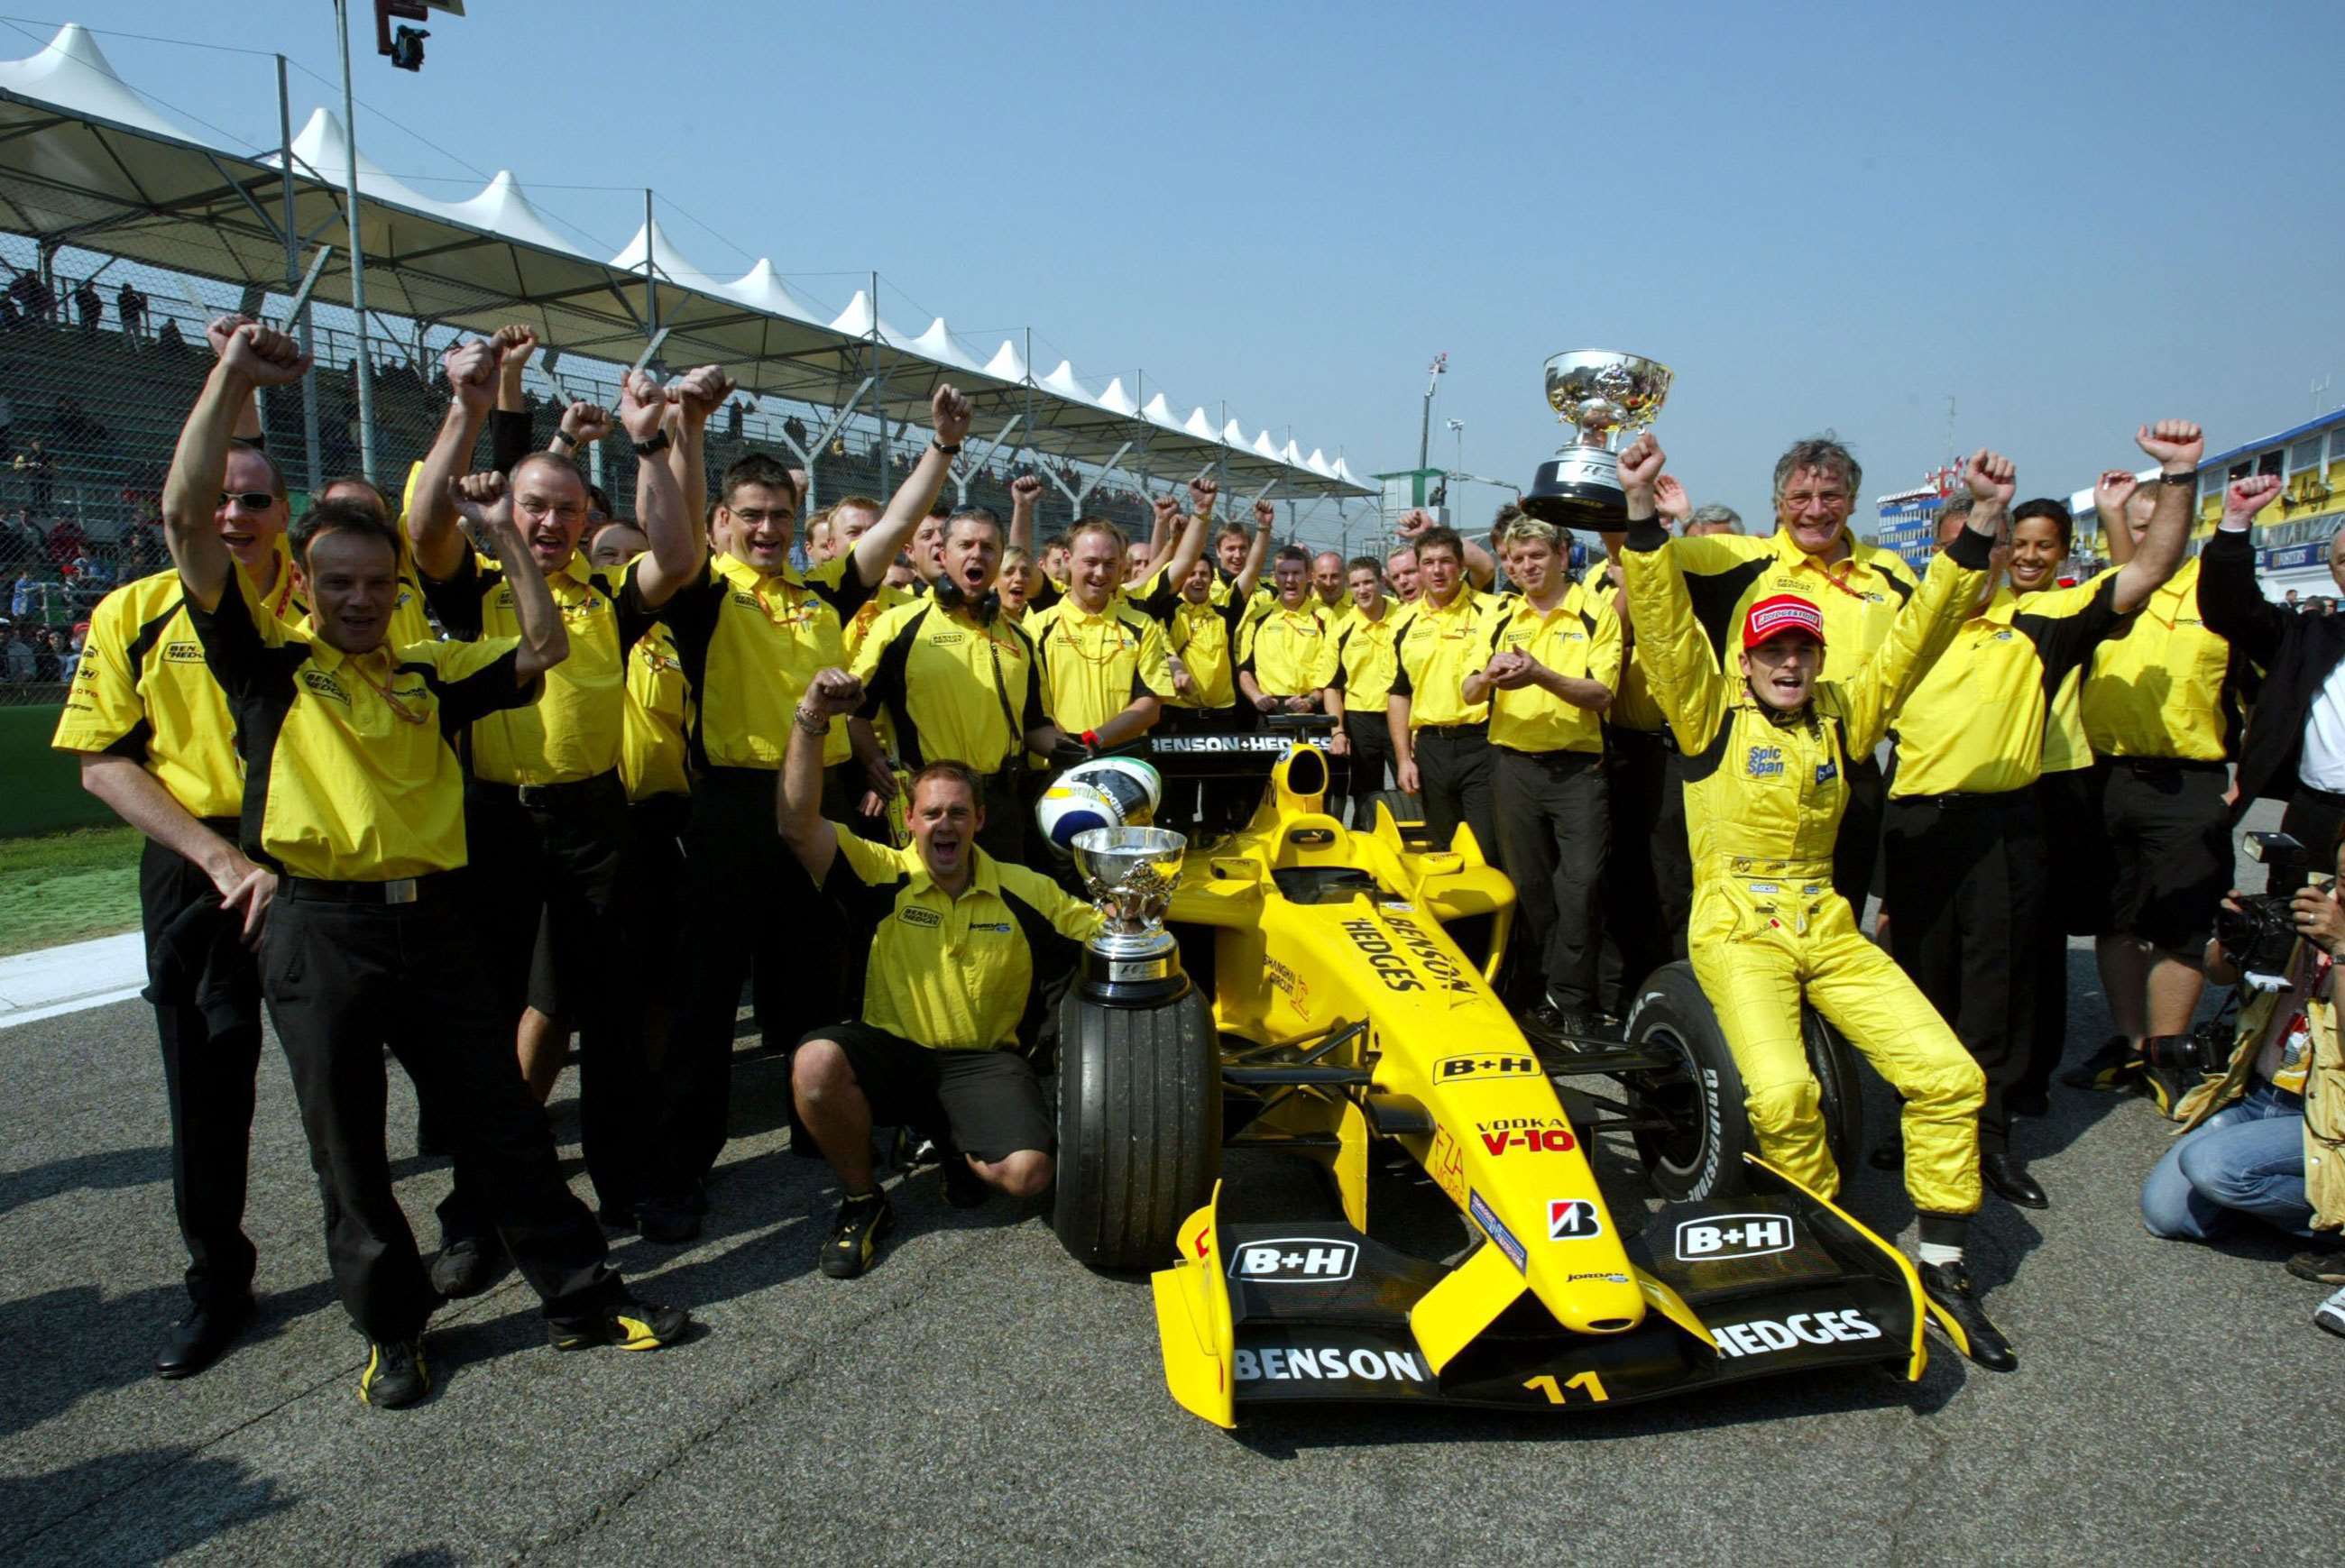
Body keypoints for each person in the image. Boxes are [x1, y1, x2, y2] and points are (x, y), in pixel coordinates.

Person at [160, 320, 687, 1408]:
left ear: (397, 584)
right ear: (299, 587)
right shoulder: (264, 664)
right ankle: (392, 1328)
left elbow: (539, 651)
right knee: (347, 1147)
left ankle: (581, 1297)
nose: (356, 599)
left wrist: (503, 548)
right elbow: (182, 515)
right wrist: (226, 378)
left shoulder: (429, 666)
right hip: (318, 930)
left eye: (373, 581)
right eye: (335, 582)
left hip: (433, 919)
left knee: (502, 1117)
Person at [1617, 430, 2017, 1371]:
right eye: (1773, 648)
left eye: (1803, 648)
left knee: (1949, 1077)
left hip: (1824, 921)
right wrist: (1637, 508)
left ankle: (1947, 1261)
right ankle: (1822, 1236)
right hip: (1736, 925)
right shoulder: (1705, 706)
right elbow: (1666, 620)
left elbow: (1917, 635)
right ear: (1747, 654)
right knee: (1786, 1092)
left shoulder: (1846, 709)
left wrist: (1982, 526)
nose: (1790, 663)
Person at [402, 338, 713, 1273]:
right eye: (534, 505)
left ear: (585, 520)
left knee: (614, 1017)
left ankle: (630, 1181)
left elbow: (680, 552)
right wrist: (465, 411)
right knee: (489, 1028)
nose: (547, 522)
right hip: (493, 821)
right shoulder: (471, 584)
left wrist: (651, 444)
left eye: (566, 510)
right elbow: (420, 529)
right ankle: (478, 1206)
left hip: (593, 823)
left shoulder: (611, 596)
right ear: (510, 504)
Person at [641, 389, 961, 1233]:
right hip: (734, 807)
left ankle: (815, 1123)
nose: (767, 530)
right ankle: (677, 1170)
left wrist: (940, 447)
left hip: (816, 805)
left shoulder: (820, 593)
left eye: (781, 515)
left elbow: (891, 529)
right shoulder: (707, 592)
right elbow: (670, 530)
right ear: (721, 522)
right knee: (705, 999)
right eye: (750, 515)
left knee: (819, 979)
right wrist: (689, 430)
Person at [47, 364, 313, 1378]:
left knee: (359, 1065)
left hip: (317, 860)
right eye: (219, 497)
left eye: (256, 498)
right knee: (207, 1088)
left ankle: (421, 1243)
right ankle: (219, 1280)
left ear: (286, 511)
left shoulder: (330, 596)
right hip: (195, 868)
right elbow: (101, 760)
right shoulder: (132, 612)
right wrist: (215, 855)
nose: (233, 512)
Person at [1876, 424, 2198, 1209]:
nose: (1968, 562)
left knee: (1995, 995)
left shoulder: (2038, 622)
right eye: (1952, 549)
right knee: (1918, 994)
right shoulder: (1903, 628)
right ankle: (1917, 1125)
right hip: (1915, 827)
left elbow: (2150, 567)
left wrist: (2179, 474)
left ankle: (1987, 1141)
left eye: (1980, 548)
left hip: (2002, 830)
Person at [777, 668, 1101, 1277]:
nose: (944, 825)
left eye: (958, 812)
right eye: (931, 813)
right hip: (894, 1053)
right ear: (911, 820)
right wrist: (811, 718)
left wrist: (1144, 912)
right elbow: (797, 824)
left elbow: (1104, 937)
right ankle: (862, 1198)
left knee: (1029, 1174)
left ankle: (951, 1142)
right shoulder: (881, 873)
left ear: (980, 819)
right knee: (816, 1062)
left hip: (983, 1060)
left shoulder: (1027, 888)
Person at [1659, 436, 1922, 913]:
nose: (1816, 510)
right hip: (1748, 765)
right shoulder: (1735, 558)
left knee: (1836, 914)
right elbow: (1645, 564)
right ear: (1779, 504)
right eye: (1800, 498)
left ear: (1853, 501)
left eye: (1831, 497)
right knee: (1743, 917)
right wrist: (1634, 497)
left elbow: (1918, 659)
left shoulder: (1894, 574)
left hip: (1848, 767)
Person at [2067, 455, 2254, 1107]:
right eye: (2135, 526)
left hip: (2189, 781)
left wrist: (2243, 788)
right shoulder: (2108, 594)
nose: (2150, 538)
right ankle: (2127, 1041)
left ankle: (2165, 1050)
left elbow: (2266, 699)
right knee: (2114, 922)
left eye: (2158, 524)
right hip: (2109, 777)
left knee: (2182, 924)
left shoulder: (2219, 595)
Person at [2140, 827, 2345, 1326]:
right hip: (2264, 1094)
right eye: (2342, 875)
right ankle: (2305, 1207)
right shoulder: (2307, 902)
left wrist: (2340, 948)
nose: (2341, 890)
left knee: (2214, 1168)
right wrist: (2235, 934)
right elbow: (2218, 975)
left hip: (2328, 1114)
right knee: (2166, 1215)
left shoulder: (2332, 927)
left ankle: (2331, 1216)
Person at [1467, 515, 1621, 1037]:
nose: (1526, 567)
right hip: (1513, 767)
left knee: (1580, 887)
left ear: (1561, 555)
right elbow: (1468, 691)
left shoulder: (1596, 613)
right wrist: (1487, 676)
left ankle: (1574, 999)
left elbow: (1602, 696)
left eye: (1537, 556)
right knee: (1530, 890)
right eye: (1518, 559)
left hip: (1577, 771)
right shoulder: (1501, 615)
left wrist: (1542, 676)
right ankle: (1535, 997)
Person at [851, 501, 1062, 864]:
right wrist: (874, 763)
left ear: (997, 560)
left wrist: (1082, 752)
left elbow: (1035, 726)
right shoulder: (898, 626)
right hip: (935, 806)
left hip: (1001, 806)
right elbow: (856, 713)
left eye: (988, 547)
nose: (977, 554)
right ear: (944, 554)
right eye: (965, 545)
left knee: (1002, 910)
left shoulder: (1021, 638)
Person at [2199, 473, 2345, 891]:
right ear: (2334, 574)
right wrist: (2236, 522)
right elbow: (2229, 608)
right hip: (2318, 812)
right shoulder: (2308, 638)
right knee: (2295, 928)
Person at [1590, 474, 1694, 1012]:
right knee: (1619, 869)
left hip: (1678, 746)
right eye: (1622, 522)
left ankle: (1676, 989)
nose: (1629, 530)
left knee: (1673, 877)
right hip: (1620, 741)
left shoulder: (1684, 566)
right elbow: (1609, 632)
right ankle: (1618, 993)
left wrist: (1652, 560)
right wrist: (1625, 578)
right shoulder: (1595, 578)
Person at [1387, 526, 1503, 859]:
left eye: (1446, 561)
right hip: (1431, 748)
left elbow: (1489, 566)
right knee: (1443, 850)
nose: (1437, 570)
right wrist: (1403, 759)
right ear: (1419, 568)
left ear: (1461, 565)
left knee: (1487, 848)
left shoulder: (1490, 609)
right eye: (1428, 562)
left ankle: (1494, 913)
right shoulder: (1403, 620)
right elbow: (1398, 693)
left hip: (1482, 744)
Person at [1324, 554, 1403, 821]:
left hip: (1403, 717)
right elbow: (1332, 686)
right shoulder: (1341, 629)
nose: (1362, 590)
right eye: (1356, 585)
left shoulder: (1405, 617)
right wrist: (1337, 732)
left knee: (1412, 785)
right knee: (1365, 794)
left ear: (1382, 582)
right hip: (1361, 721)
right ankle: (1365, 841)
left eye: (1368, 582)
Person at [1240, 544, 1338, 720]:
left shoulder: (1325, 616)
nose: (1290, 580)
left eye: (1296, 573)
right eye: (1283, 573)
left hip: (1313, 709)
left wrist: (1311, 700)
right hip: (1269, 710)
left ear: (1309, 576)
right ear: (1273, 577)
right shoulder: (1258, 617)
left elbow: (1334, 671)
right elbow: (1244, 669)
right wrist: (1256, 696)